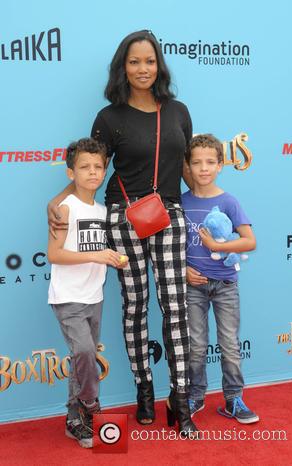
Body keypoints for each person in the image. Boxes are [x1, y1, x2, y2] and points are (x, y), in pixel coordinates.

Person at [48, 30, 198, 437]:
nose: (143, 69)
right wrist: (58, 199)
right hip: (124, 217)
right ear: (123, 67)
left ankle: (180, 399)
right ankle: (144, 390)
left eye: (149, 61)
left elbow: (186, 171)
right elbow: (89, 168)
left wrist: (209, 200)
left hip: (168, 216)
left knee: (176, 308)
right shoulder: (109, 118)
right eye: (134, 62)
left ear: (159, 65)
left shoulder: (179, 112)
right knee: (135, 307)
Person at [48, 137, 128, 448]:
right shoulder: (64, 209)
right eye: (84, 167)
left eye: (98, 167)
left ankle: (74, 419)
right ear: (71, 173)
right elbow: (55, 254)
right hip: (68, 296)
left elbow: (97, 247)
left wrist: (112, 255)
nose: (92, 172)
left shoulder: (103, 209)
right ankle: (91, 404)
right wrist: (96, 255)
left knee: (81, 360)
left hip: (95, 296)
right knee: (84, 352)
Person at [181, 133, 259, 424]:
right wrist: (183, 272)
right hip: (193, 287)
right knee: (196, 346)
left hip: (226, 286)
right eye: (197, 162)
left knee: (229, 344)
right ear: (187, 166)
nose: (203, 168)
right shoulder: (180, 202)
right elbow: (171, 247)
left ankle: (233, 399)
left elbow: (249, 241)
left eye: (210, 162)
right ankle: (195, 395)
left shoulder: (229, 201)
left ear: (220, 165)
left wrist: (218, 247)